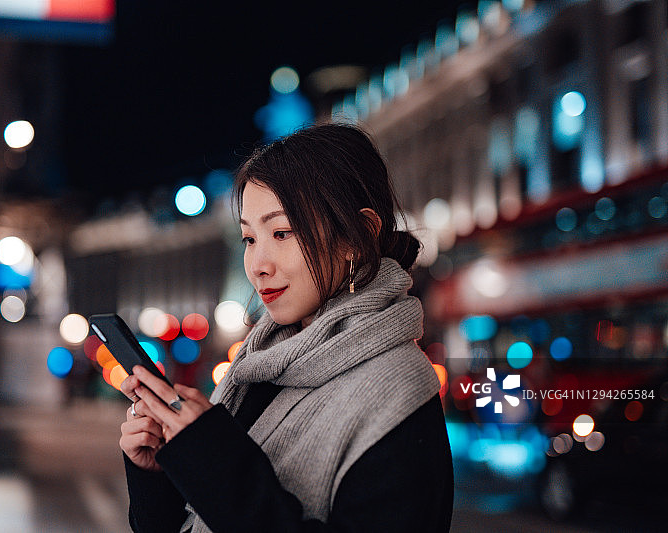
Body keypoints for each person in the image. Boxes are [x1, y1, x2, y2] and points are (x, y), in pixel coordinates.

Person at [119, 123, 454, 532]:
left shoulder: (397, 389)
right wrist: (160, 473)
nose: (258, 264)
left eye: (281, 233)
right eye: (248, 239)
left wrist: (214, 462)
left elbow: (236, 502)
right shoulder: (258, 364)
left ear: (358, 236)